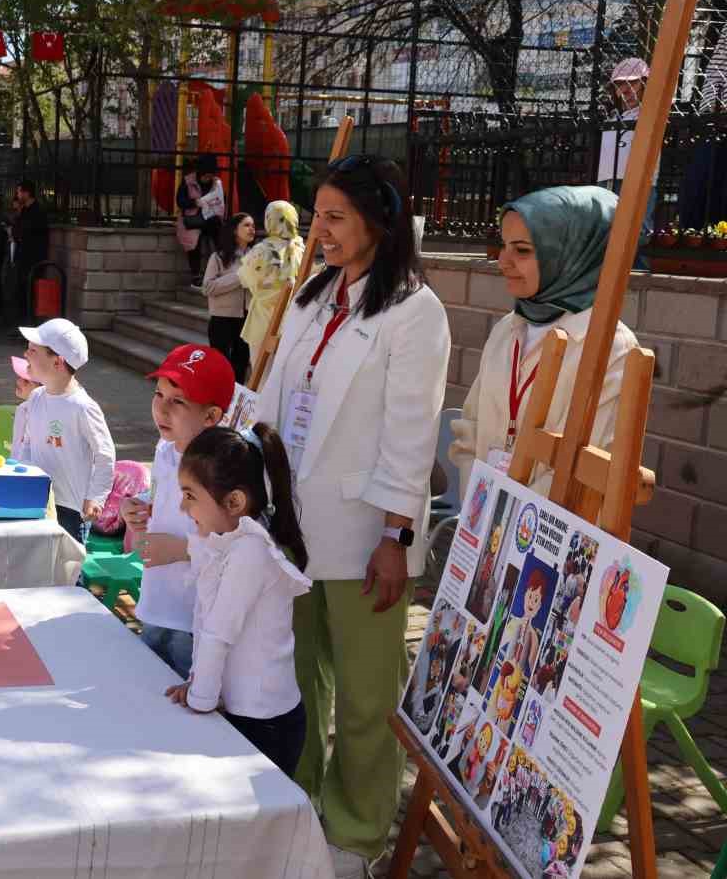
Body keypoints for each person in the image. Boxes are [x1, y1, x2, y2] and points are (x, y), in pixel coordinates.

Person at [252, 154, 449, 878]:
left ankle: (360, 833)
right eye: (319, 216)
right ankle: (300, 802)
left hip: (367, 534)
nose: (322, 231)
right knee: (296, 679)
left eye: (337, 217)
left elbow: (410, 435)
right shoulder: (313, 294)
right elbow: (276, 395)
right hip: (292, 525)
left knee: (366, 696)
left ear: (380, 221)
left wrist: (396, 537)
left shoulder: (415, 312)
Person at [450, 185, 636, 494]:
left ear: (572, 255)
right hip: (483, 513)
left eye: (522, 250)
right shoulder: (507, 329)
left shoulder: (611, 348)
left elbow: (581, 469)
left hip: (547, 522)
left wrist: (508, 513)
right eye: (503, 245)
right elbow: (470, 430)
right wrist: (480, 503)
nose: (503, 261)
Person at [166, 423, 312, 775]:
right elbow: (205, 618)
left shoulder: (250, 551)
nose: (183, 506)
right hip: (241, 711)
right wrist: (200, 685)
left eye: (190, 495)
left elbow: (219, 632)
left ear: (234, 502)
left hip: (265, 723)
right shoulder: (226, 542)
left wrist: (202, 699)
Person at [120, 345, 234, 678]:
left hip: (194, 618)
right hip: (156, 603)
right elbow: (161, 496)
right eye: (159, 394)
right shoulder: (165, 449)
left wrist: (181, 549)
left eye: (178, 401)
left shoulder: (222, 468)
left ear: (211, 417)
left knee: (189, 695)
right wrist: (137, 506)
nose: (161, 408)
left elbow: (236, 544)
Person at [12, 318, 115, 543]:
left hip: (70, 510)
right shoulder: (36, 397)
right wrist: (20, 476)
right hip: (37, 499)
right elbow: (27, 442)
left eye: (33, 350)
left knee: (67, 563)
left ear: (57, 362)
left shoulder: (83, 407)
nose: (26, 354)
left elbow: (105, 455)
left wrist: (96, 497)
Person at [596, 57, 653, 263]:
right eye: (620, 84)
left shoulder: (650, 113)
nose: (626, 90)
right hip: (608, 179)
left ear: (645, 84)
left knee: (638, 230)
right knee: (609, 229)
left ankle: (636, 270)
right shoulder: (613, 117)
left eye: (632, 83)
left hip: (638, 180)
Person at [237, 200, 303, 358]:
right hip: (292, 321)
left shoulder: (261, 250)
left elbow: (244, 278)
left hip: (262, 320)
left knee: (261, 369)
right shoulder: (301, 249)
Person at [203, 213, 256, 384]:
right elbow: (208, 287)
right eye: (246, 225)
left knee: (241, 366)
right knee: (220, 366)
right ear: (234, 230)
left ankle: (235, 399)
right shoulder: (218, 257)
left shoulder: (257, 257)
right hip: (222, 319)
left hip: (247, 318)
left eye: (253, 226)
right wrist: (240, 277)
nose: (252, 229)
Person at [10, 181, 49, 322]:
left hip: (33, 257)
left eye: (19, 192)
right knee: (21, 290)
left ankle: (30, 321)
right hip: (22, 256)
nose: (17, 195)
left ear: (27, 193)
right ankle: (22, 320)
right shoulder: (24, 210)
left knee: (30, 290)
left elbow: (25, 232)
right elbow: (16, 231)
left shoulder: (37, 211)